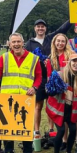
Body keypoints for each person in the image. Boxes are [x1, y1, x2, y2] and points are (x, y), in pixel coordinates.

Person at [0, 33, 41, 153]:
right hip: (8, 98)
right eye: (13, 42)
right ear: (9, 44)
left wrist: (35, 88)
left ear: (23, 42)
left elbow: (38, 77)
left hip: (26, 98)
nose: (16, 44)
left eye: (18, 41)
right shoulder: (4, 58)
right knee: (8, 127)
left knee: (26, 126)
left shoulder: (33, 58)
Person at [25, 18, 71, 146]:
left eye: (43, 27)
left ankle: (51, 130)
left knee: (51, 105)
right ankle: (37, 131)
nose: (40, 28)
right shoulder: (29, 43)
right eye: (38, 26)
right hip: (38, 79)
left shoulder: (51, 37)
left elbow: (63, 29)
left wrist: (73, 17)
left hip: (53, 77)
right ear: (35, 28)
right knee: (38, 106)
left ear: (46, 28)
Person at [48, 54, 77, 153]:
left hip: (71, 109)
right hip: (58, 108)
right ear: (69, 62)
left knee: (73, 130)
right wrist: (55, 88)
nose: (76, 63)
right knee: (61, 130)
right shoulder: (59, 74)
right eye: (74, 61)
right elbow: (48, 90)